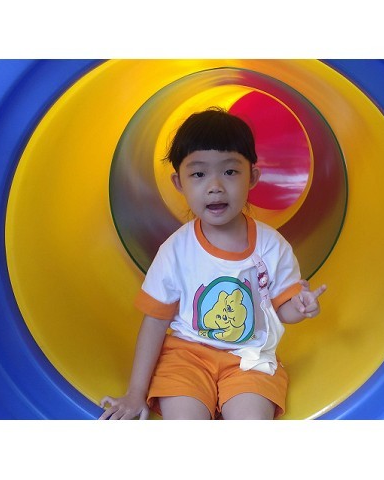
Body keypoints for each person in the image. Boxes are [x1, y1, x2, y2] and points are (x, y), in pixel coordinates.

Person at [99, 107, 326, 420]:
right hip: (185, 359)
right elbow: (155, 321)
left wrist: (300, 307)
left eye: (230, 172)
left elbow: (281, 310)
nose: (215, 185)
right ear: (179, 183)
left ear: (253, 177)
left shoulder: (271, 246)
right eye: (198, 174)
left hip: (250, 359)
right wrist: (136, 392)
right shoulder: (176, 250)